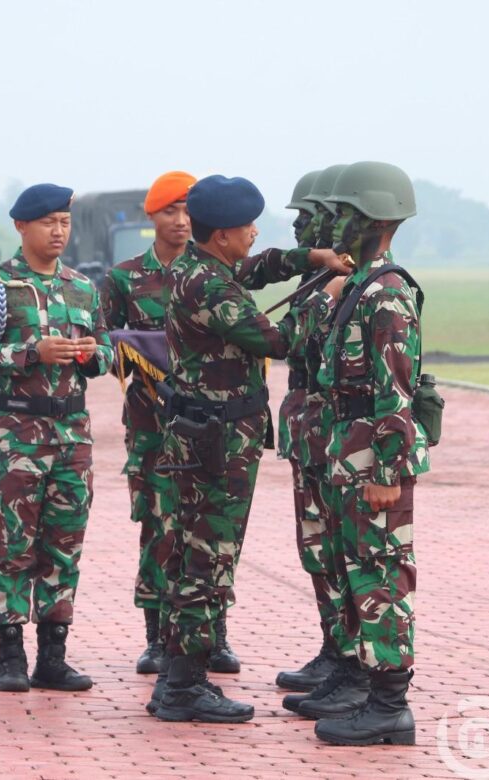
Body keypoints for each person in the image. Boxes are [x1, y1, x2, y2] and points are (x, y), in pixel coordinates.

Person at [151, 174, 349, 723]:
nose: (254, 233)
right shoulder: (210, 288)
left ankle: (176, 677)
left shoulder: (201, 267)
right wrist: (327, 295)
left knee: (195, 556)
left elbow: (259, 268)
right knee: (207, 560)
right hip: (217, 442)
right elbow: (280, 341)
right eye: (247, 227)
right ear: (221, 236)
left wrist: (313, 259)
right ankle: (185, 687)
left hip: (209, 435)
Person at [0, 183, 113, 694]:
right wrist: (29, 353)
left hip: (72, 434)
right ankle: (9, 656)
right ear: (22, 226)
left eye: (64, 222)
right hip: (16, 434)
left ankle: (53, 657)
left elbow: (108, 351)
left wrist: (92, 355)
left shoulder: (82, 287)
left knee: (64, 545)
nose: (58, 231)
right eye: (48, 223)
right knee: (11, 544)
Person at [294, 161, 432, 746]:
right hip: (348, 453)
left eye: (343, 214)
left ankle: (389, 705)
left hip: (372, 462)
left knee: (381, 578)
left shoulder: (387, 293)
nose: (333, 225)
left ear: (375, 219)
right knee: (359, 573)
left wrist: (387, 470)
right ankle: (369, 691)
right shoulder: (361, 285)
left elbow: (394, 392)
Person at [100, 171, 196, 675]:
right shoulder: (124, 278)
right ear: (151, 216)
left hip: (207, 424)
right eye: (169, 211)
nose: (181, 221)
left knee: (210, 529)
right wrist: (147, 365)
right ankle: (157, 638)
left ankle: (211, 635)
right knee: (158, 526)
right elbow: (103, 344)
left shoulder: (214, 272)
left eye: (188, 211)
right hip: (151, 425)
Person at [274, 166, 351, 693]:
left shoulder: (353, 280)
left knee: (342, 551)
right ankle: (333, 646)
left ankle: (350, 656)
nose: (300, 228)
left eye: (309, 217)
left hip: (335, 433)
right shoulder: (319, 277)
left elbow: (296, 341)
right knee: (317, 547)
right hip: (309, 431)